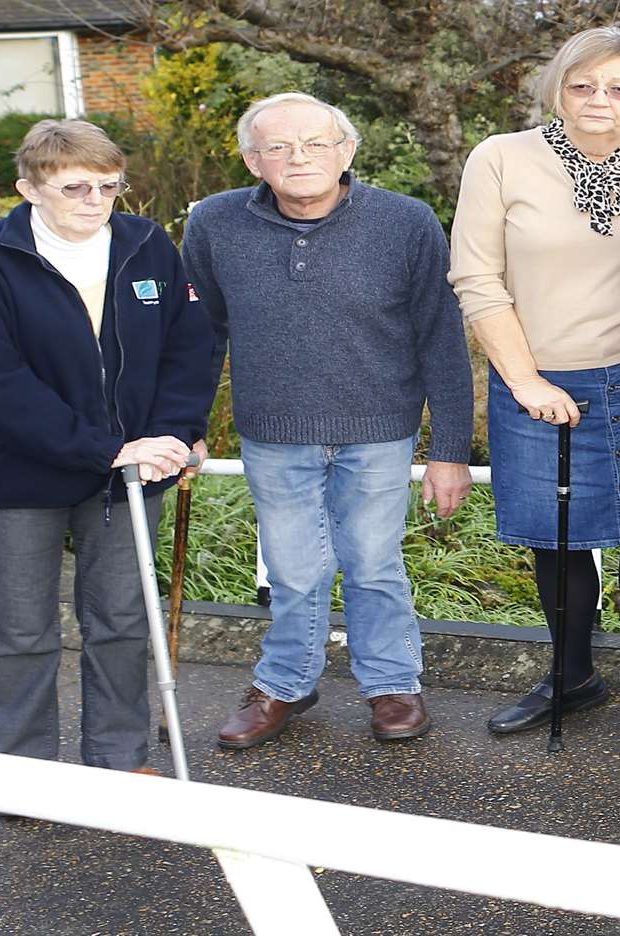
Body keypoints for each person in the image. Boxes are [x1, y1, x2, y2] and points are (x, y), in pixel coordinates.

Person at [183, 93, 474, 749]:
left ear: (346, 151)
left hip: (378, 430)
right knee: (292, 571)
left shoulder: (405, 222)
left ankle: (393, 685)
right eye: (279, 147)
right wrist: (185, 423)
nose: (298, 158)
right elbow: (199, 333)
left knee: (374, 565)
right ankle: (286, 684)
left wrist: (451, 449)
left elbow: (441, 340)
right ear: (253, 160)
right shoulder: (214, 223)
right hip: (274, 431)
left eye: (315, 143)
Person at [0, 119, 219, 781]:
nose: (95, 201)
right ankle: (26, 777)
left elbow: (189, 348)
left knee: (120, 620)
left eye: (109, 187)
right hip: (13, 478)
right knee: (18, 634)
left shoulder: (147, 245)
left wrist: (174, 434)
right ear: (29, 187)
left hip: (127, 476)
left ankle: (118, 764)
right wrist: (106, 448)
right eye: (75, 187)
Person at [449, 27, 620, 737]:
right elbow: (475, 275)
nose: (598, 101)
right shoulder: (500, 159)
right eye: (582, 85)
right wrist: (523, 380)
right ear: (557, 86)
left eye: (618, 88)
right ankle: (572, 677)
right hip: (536, 376)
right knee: (556, 539)